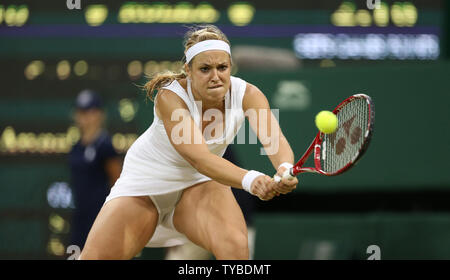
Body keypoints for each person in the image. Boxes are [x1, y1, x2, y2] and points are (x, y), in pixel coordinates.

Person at [79, 25, 298, 260]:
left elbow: (274, 141)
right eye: (205, 69)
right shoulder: (170, 97)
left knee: (235, 247)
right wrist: (251, 180)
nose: (216, 76)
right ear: (189, 70)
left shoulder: (249, 94)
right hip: (146, 185)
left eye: (222, 67)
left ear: (230, 67)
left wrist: (284, 169)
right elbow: (200, 159)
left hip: (199, 186)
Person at [68, 89, 122, 250]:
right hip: (79, 217)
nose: (86, 117)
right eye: (82, 112)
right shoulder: (76, 147)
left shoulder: (105, 146)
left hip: (100, 218)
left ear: (99, 114)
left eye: (91, 112)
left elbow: (117, 183)